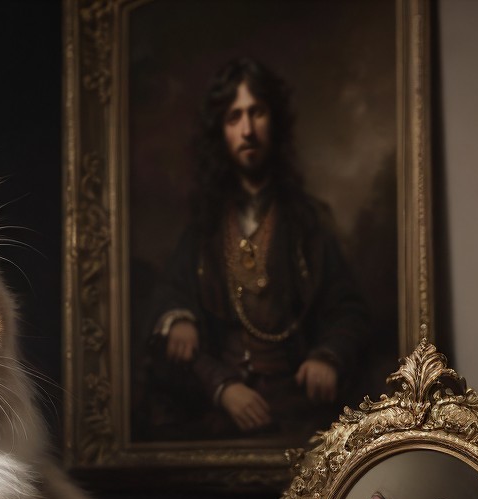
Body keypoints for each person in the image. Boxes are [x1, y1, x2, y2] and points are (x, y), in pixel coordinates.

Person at [137, 57, 369, 441]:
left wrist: (327, 355)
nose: (247, 130)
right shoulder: (204, 229)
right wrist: (182, 325)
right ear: (221, 133)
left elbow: (349, 309)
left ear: (273, 122)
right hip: (220, 401)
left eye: (256, 113)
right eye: (234, 118)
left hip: (295, 401)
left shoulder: (307, 223)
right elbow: (170, 293)